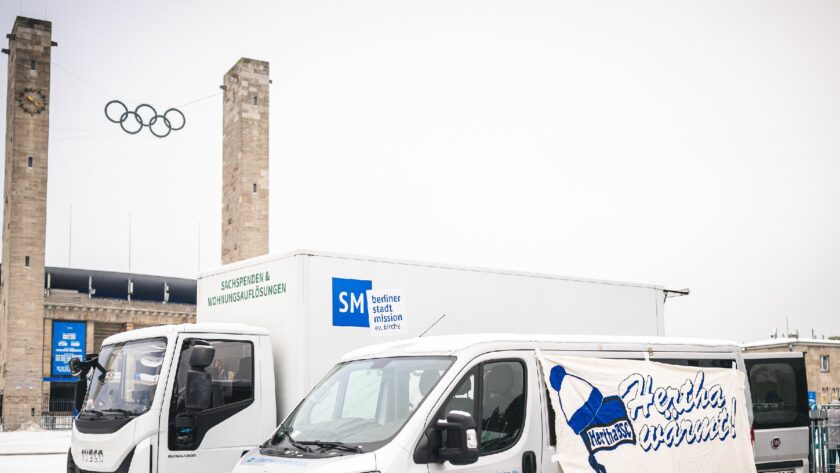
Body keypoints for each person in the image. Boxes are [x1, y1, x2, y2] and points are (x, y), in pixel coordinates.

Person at [829, 399, 840, 473]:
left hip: (831, 440)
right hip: (839, 439)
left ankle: (831, 471)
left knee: (831, 460)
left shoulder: (828, 412)